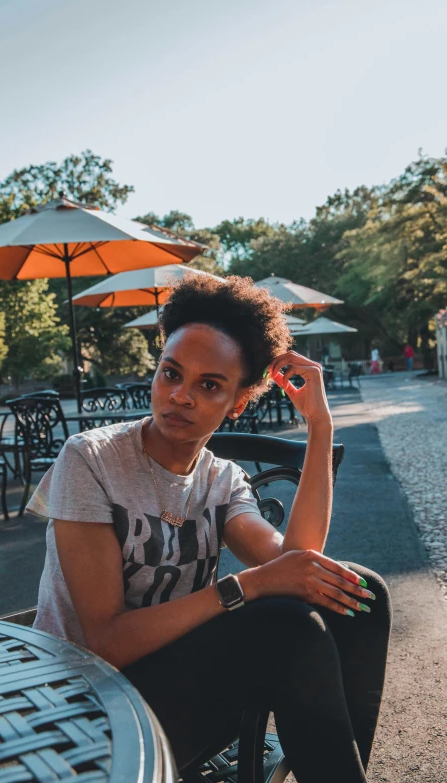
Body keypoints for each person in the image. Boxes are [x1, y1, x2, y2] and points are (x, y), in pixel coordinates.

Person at [27, 275, 391, 783]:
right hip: (83, 699)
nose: (180, 396)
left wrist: (320, 425)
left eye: (209, 385)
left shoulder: (223, 480)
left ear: (238, 403)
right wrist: (248, 586)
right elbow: (106, 641)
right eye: (171, 373)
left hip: (182, 685)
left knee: (363, 594)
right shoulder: (90, 460)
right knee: (287, 625)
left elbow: (298, 563)